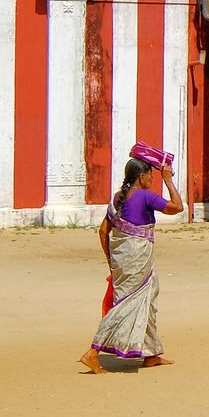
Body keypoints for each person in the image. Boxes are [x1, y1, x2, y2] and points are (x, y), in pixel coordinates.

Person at [80, 158, 183, 372]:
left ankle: (151, 353)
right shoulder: (145, 196)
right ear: (141, 177)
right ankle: (92, 352)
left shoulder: (118, 198)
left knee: (148, 299)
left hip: (123, 259)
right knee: (128, 304)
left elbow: (103, 231)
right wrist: (168, 180)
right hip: (138, 257)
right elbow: (177, 207)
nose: (152, 179)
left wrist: (110, 260)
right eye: (150, 175)